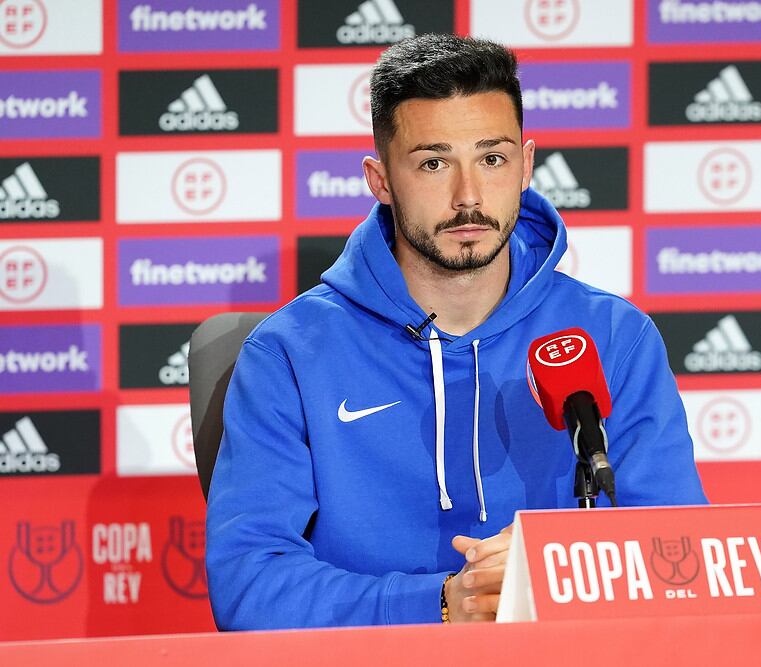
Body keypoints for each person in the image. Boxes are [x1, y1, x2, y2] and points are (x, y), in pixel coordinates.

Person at [205, 33, 706, 630]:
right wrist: (440, 602)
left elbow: (682, 561)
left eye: (491, 158)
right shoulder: (288, 353)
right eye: (434, 162)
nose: (468, 197)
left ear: (525, 165)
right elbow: (248, 582)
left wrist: (550, 579)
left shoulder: (614, 337)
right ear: (380, 179)